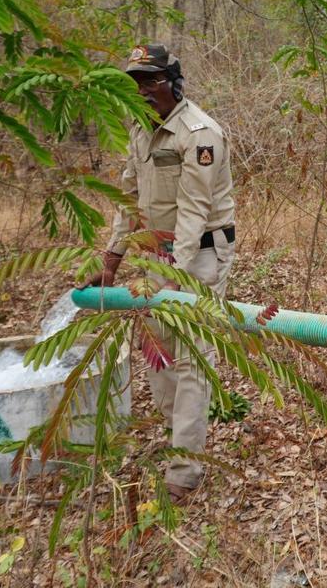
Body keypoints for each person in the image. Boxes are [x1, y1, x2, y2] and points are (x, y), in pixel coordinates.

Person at [84, 43, 237, 502]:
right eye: (134, 83)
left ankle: (186, 469)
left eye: (151, 81)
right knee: (157, 348)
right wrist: (111, 263)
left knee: (191, 354)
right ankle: (178, 439)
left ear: (173, 81)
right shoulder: (139, 132)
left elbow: (194, 210)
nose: (143, 91)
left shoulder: (200, 134)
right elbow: (128, 203)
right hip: (154, 255)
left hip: (203, 255)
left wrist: (179, 278)